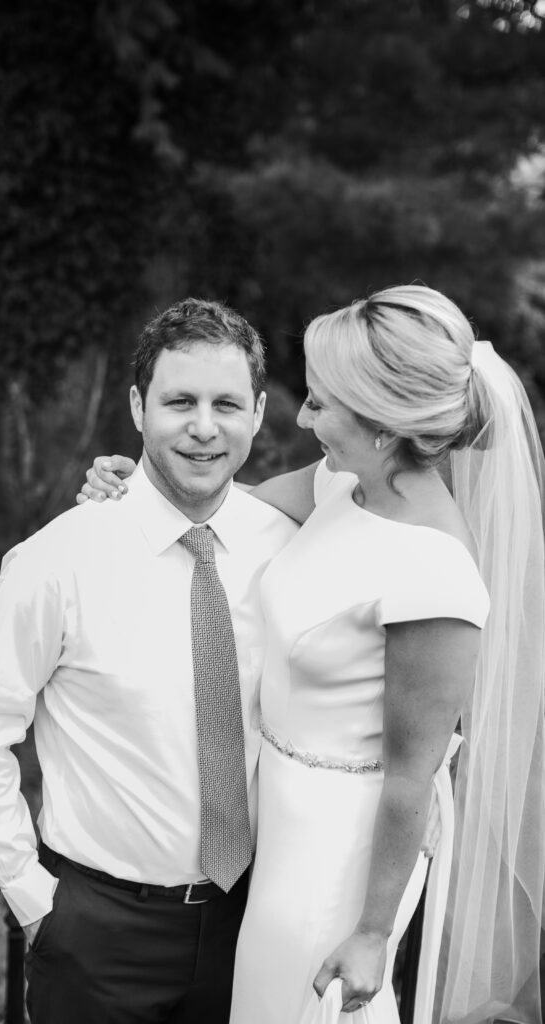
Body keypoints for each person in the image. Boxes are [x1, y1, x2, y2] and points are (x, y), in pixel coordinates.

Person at [79, 285, 545, 1024]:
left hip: (341, 854)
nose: (301, 416)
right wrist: (133, 485)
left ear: (385, 424)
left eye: (322, 402)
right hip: (277, 822)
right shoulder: (343, 486)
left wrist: (369, 932)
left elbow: (409, 778)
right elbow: (234, 507)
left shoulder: (434, 572)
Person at [0, 298, 300, 1024]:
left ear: (258, 414)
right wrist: (34, 902)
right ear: (138, 406)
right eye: (179, 402)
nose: (204, 427)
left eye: (226, 403)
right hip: (99, 936)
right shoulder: (58, 560)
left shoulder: (290, 546)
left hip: (254, 925)